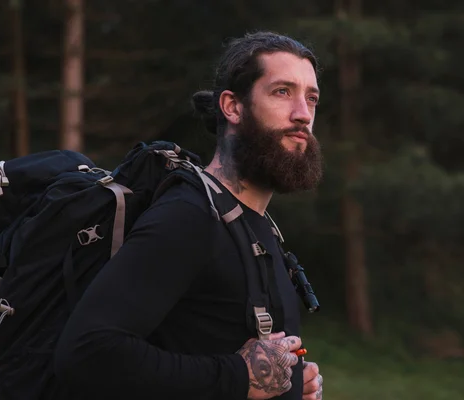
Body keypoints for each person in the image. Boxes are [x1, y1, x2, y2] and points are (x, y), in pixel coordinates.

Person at [54, 31, 325, 400]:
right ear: (232, 107)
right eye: (282, 92)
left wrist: (290, 384)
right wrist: (238, 377)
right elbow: (87, 352)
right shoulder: (190, 216)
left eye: (311, 98)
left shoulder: (256, 225)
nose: (303, 115)